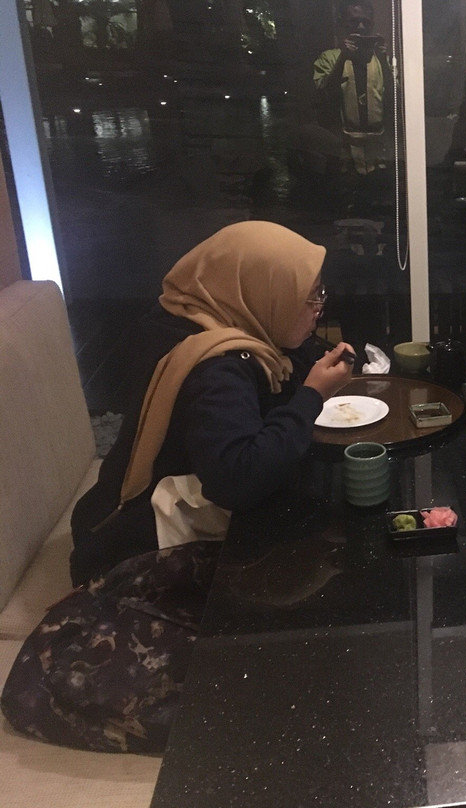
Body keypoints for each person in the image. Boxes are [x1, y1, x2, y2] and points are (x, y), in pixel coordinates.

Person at [0, 222, 355, 754]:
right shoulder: (218, 368)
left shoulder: (207, 325)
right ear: (259, 292)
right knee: (316, 600)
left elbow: (272, 385)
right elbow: (239, 478)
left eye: (319, 294)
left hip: (149, 508)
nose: (318, 308)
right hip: (138, 547)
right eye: (309, 297)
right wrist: (310, 397)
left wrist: (308, 365)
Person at [309, 0, 394, 214]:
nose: (361, 27)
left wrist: (383, 59)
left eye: (366, 22)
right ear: (342, 24)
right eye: (354, 22)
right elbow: (323, 96)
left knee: (378, 212)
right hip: (342, 152)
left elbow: (396, 98)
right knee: (343, 211)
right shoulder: (329, 58)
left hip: (378, 152)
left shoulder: (381, 60)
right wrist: (343, 60)